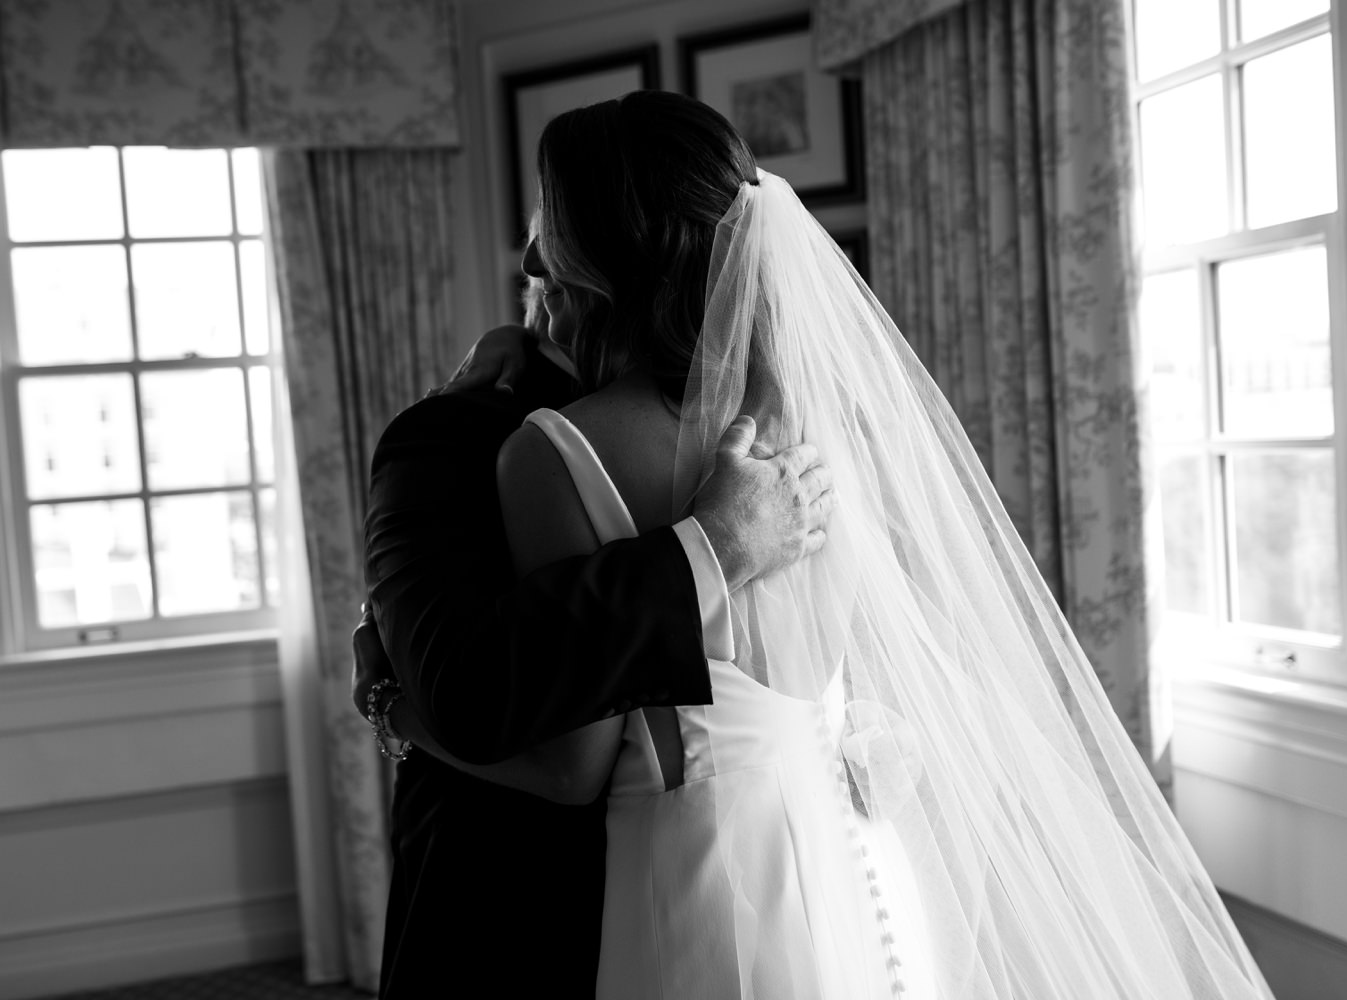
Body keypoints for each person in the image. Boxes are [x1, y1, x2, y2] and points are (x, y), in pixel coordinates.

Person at [487, 90, 1276, 998]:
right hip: (862, 860)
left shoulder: (553, 455)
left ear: (587, 249)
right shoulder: (827, 413)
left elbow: (568, 770)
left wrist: (400, 697)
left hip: (705, 891)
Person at [355, 267, 835, 994]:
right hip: (812, 858)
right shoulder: (794, 418)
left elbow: (541, 751)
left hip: (534, 901)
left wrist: (384, 703)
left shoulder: (471, 439)